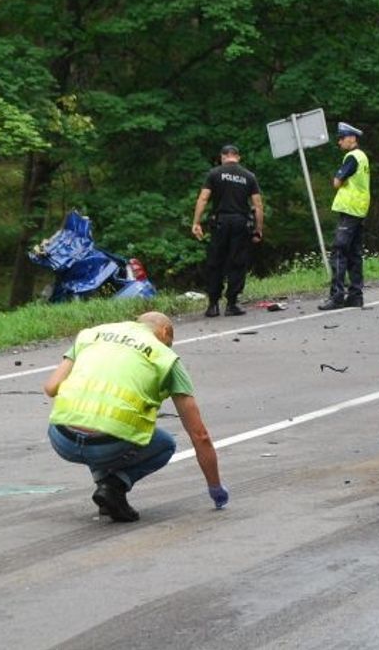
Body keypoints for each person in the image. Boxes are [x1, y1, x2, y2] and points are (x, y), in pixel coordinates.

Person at [44, 311, 228, 522]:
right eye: (169, 343)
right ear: (165, 332)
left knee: (96, 420)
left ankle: (106, 491)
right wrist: (215, 488)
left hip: (62, 439)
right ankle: (114, 485)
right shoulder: (165, 357)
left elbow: (51, 387)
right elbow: (199, 435)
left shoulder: (92, 335)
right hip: (107, 445)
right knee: (164, 444)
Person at [191, 144, 264, 317]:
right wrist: (258, 229)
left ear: (223, 157)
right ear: (238, 157)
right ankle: (232, 304)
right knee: (237, 262)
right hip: (241, 223)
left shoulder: (214, 173)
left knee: (215, 261)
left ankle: (213, 305)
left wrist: (196, 222)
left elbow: (203, 198)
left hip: (220, 222)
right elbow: (258, 205)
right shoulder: (249, 176)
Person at [318, 122, 370, 311]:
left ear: (352, 138)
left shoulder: (352, 157)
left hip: (350, 209)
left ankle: (337, 296)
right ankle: (356, 296)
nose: (339, 142)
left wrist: (338, 179)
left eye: (342, 138)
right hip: (359, 209)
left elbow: (336, 182)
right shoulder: (363, 156)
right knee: (355, 253)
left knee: (339, 251)